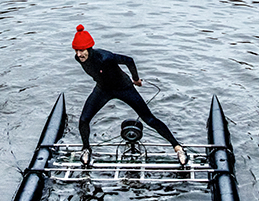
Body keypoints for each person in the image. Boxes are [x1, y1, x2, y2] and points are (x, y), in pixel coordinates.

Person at [71, 24, 186, 167]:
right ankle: (86, 149)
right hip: (103, 90)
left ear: (88, 48)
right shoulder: (79, 58)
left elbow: (129, 60)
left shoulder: (106, 57)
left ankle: (178, 148)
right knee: (83, 120)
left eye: (81, 51)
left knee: (149, 119)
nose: (79, 55)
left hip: (124, 88)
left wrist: (136, 79)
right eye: (76, 51)